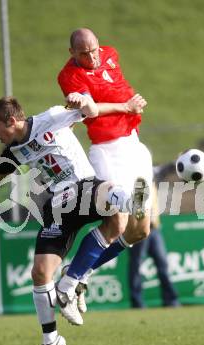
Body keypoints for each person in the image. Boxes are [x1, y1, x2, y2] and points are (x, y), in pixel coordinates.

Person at [0, 93, 145, 345]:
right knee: (40, 273)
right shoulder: (13, 152)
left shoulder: (53, 117)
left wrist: (82, 99)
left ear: (11, 120)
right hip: (59, 206)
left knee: (114, 211)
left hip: (84, 188)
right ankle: (51, 338)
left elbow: (90, 110)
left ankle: (72, 279)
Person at [56, 28, 153, 309]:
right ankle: (68, 285)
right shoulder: (69, 76)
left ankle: (79, 273)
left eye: (94, 50)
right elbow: (91, 110)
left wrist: (133, 104)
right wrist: (126, 105)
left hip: (134, 146)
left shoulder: (110, 54)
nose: (92, 57)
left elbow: (114, 83)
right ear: (72, 53)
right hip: (107, 151)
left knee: (140, 230)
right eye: (84, 53)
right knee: (117, 222)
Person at [129, 182, 180, 308]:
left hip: (154, 229)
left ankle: (171, 300)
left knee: (162, 263)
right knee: (137, 265)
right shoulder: (131, 181)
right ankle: (137, 302)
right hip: (138, 229)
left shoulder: (151, 182)